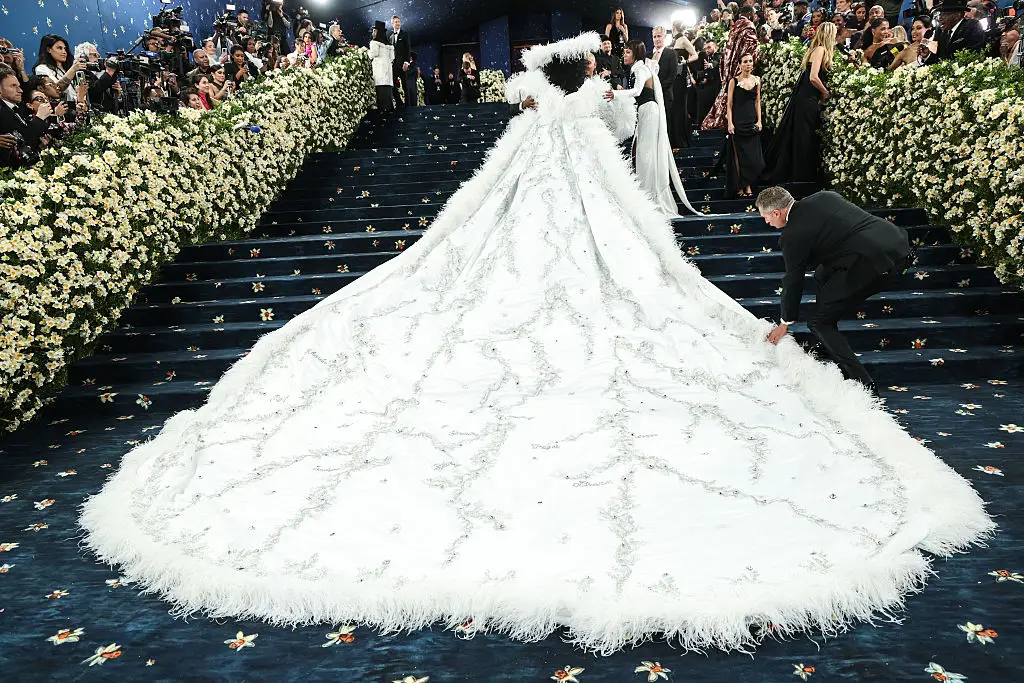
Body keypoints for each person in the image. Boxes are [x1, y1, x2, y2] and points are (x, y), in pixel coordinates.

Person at [79, 31, 993, 659]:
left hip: (558, 203)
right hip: (554, 205)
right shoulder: (570, 104)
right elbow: (575, 97)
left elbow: (566, 96)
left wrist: (574, 74)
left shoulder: (548, 104)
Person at [759, 187, 911, 392]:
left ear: (777, 212)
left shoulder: (792, 235)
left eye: (766, 217)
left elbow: (793, 280)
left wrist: (785, 322)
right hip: (896, 243)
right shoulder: (824, 196)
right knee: (822, 274)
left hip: (873, 264)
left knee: (818, 322)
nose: (767, 223)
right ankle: (827, 343)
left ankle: (863, 383)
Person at [605, 40, 699, 216]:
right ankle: (647, 196)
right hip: (646, 111)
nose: (624, 55)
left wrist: (615, 94)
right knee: (643, 153)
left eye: (627, 52)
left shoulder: (640, 69)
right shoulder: (638, 68)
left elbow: (637, 91)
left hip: (649, 111)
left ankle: (651, 198)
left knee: (646, 155)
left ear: (635, 54)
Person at [762, 23, 836, 184]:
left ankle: (801, 174)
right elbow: (813, 77)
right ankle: (802, 176)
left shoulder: (815, 49)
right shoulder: (821, 50)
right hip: (808, 99)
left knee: (803, 136)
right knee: (805, 138)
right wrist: (825, 92)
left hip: (805, 98)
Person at [701, 5, 759, 130]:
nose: (755, 17)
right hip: (741, 73)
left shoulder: (736, 26)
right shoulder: (748, 27)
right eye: (754, 14)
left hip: (730, 70)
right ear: (749, 13)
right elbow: (751, 50)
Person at [724, 53, 763, 198]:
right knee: (739, 157)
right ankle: (743, 187)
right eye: (745, 61)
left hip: (752, 122)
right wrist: (730, 123)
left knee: (755, 159)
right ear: (740, 64)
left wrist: (759, 121)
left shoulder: (757, 81)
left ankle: (748, 184)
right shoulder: (734, 81)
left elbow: (757, 102)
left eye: (750, 61)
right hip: (738, 123)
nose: (748, 64)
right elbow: (729, 104)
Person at [0, 65, 51, 167]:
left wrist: (39, 143)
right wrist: (39, 118)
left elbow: (25, 138)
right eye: (13, 86)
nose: (20, 90)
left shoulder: (17, 109)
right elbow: (25, 138)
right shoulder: (2, 109)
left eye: (19, 86)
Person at [921, 0, 986, 62]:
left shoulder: (973, 27)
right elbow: (938, 56)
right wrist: (927, 55)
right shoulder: (940, 30)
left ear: (957, 15)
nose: (939, 18)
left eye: (944, 14)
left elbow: (973, 56)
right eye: (939, 15)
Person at [651, 26, 678, 146]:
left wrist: (657, 88)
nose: (657, 39)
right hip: (651, 99)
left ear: (664, 37)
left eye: (659, 36)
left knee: (665, 126)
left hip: (665, 96)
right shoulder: (647, 55)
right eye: (654, 36)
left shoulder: (671, 53)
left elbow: (672, 77)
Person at [368, 21, 395, 113]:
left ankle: (383, 113)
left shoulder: (374, 43)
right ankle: (390, 111)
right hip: (388, 71)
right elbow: (392, 58)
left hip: (379, 71)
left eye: (374, 31)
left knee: (381, 93)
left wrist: (366, 52)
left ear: (376, 31)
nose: (373, 33)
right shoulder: (389, 45)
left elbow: (373, 54)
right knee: (388, 93)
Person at [390, 15, 412, 108]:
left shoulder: (405, 34)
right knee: (392, 85)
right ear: (392, 24)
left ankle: (408, 106)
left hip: (403, 64)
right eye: (395, 22)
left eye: (398, 21)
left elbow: (408, 49)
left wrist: (406, 62)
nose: (397, 23)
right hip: (394, 65)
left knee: (405, 86)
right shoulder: (390, 37)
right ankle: (399, 103)